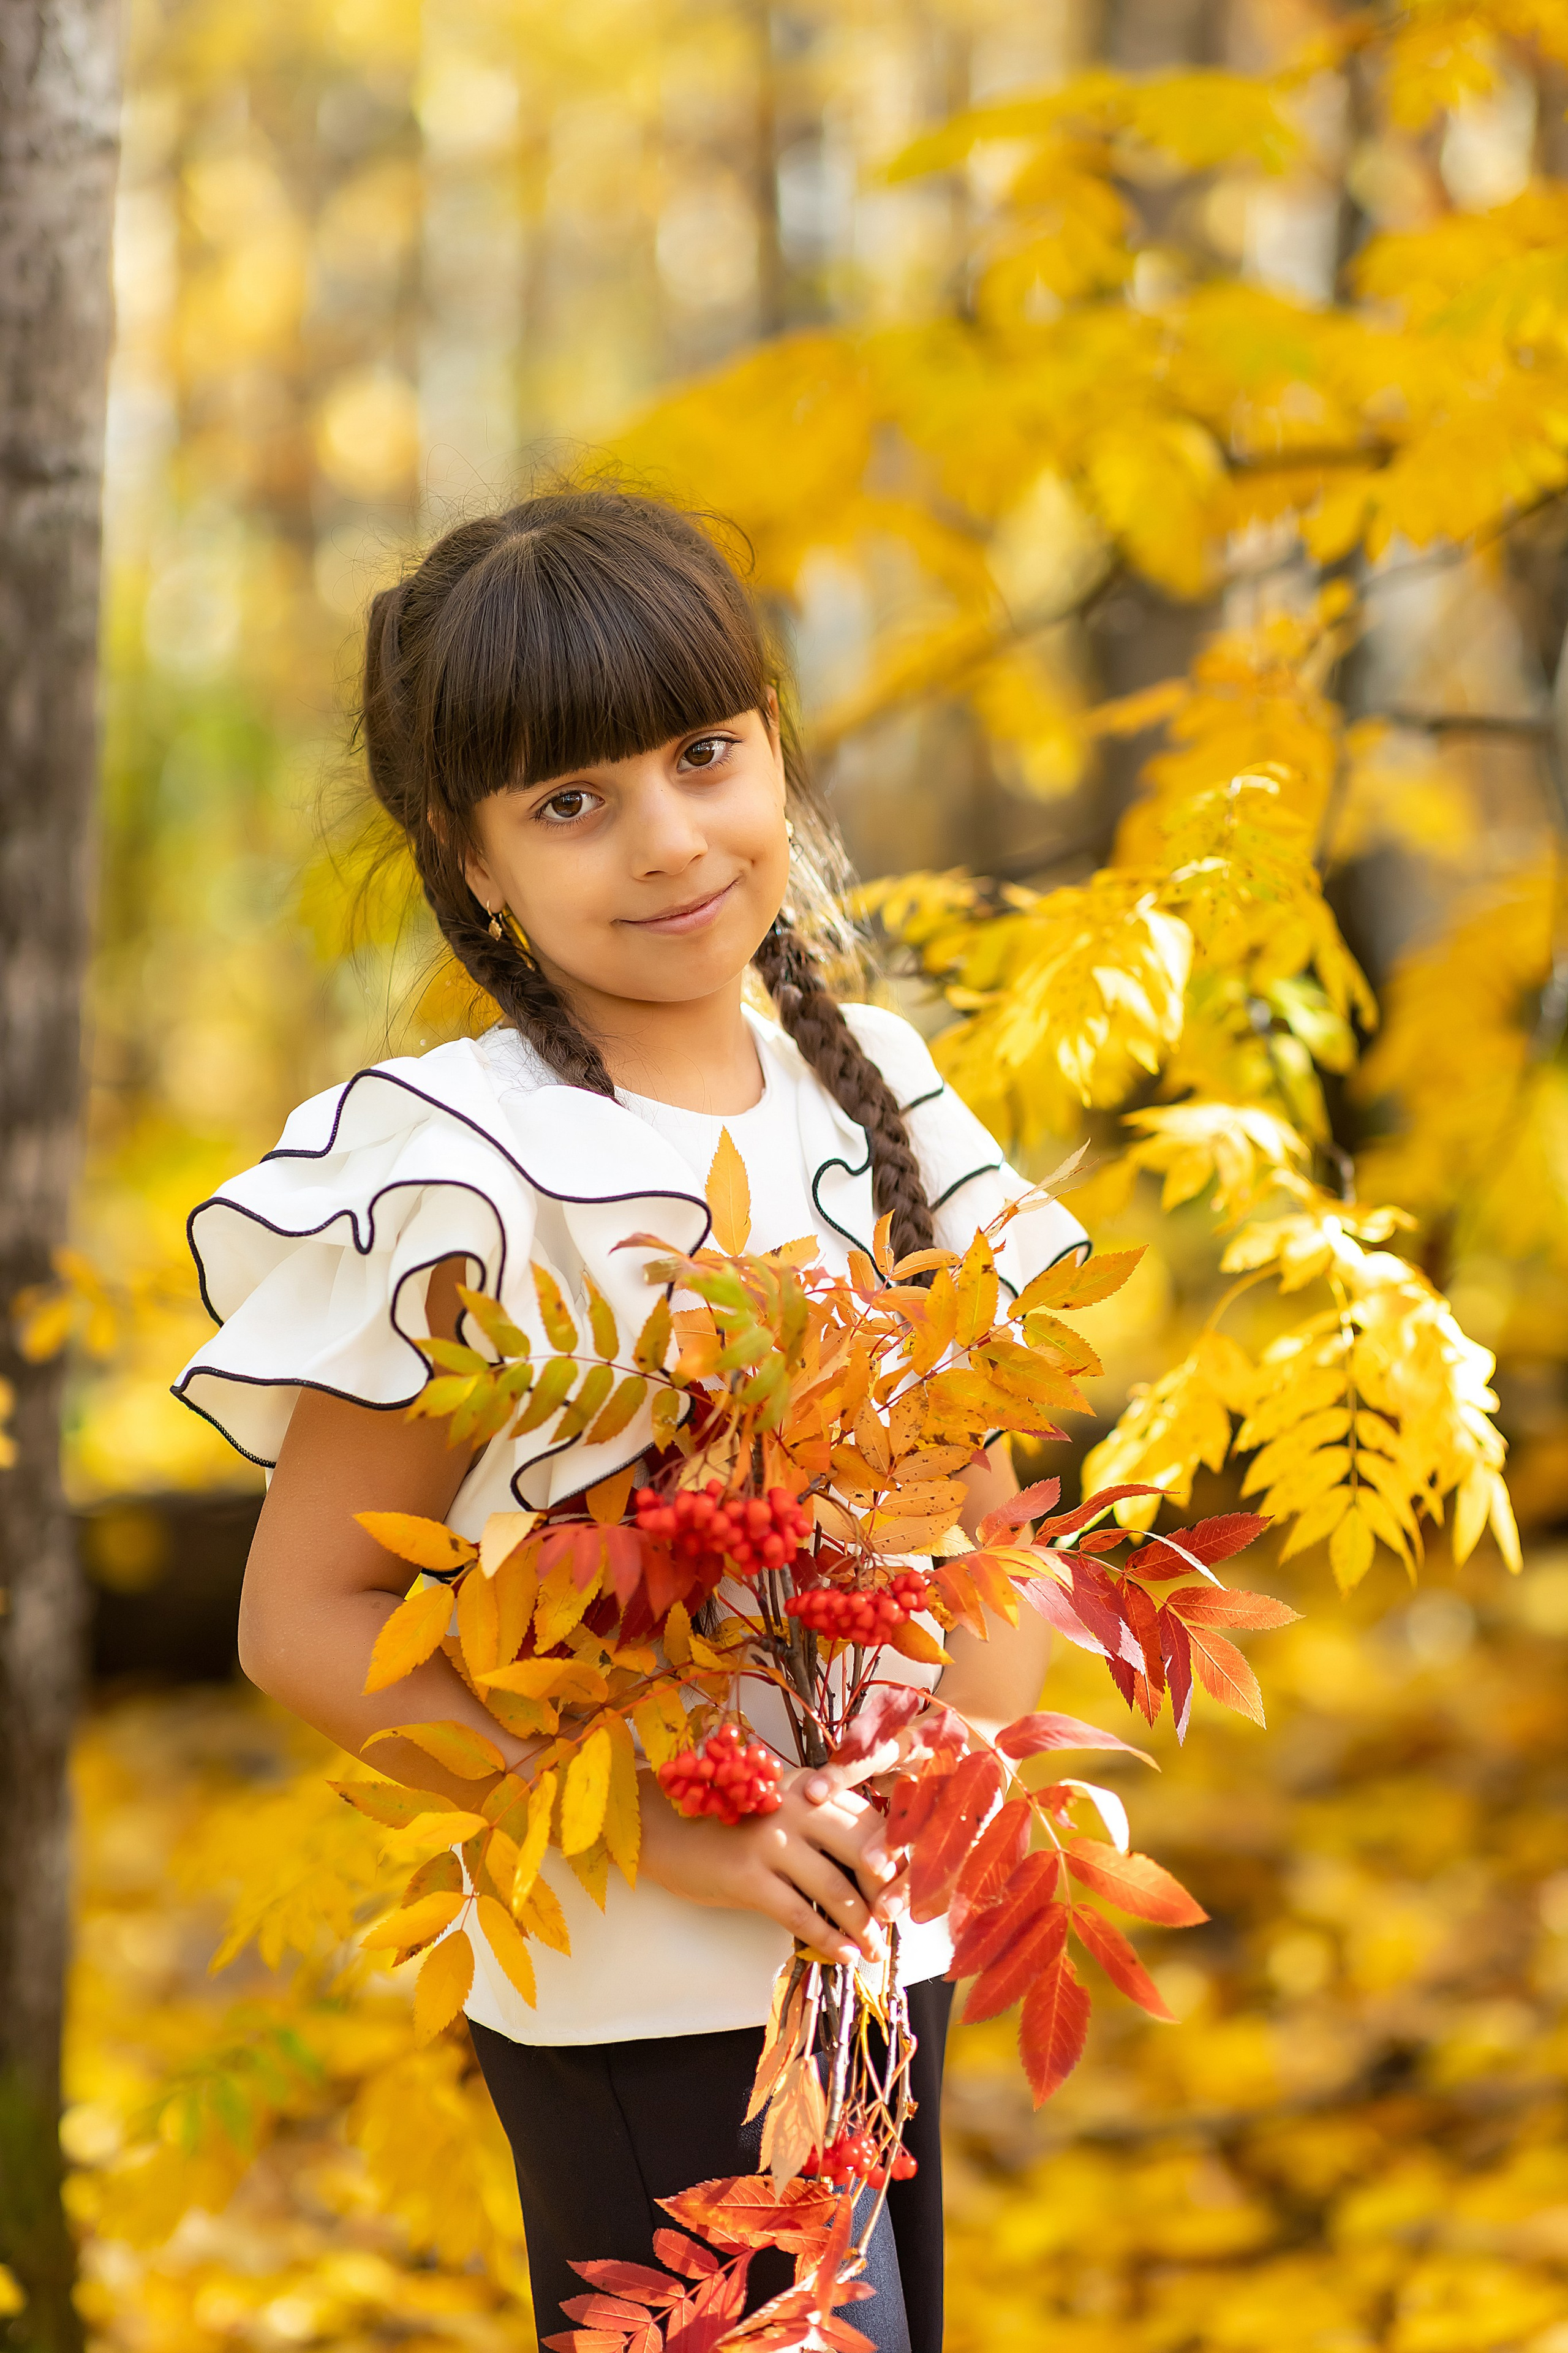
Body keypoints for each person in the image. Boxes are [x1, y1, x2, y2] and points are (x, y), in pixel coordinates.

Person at [173, 488, 1089, 2353]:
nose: (669, 838)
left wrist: (951, 1760)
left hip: (873, 1943)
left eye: (703, 753)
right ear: (474, 858)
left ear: (774, 742)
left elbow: (992, 1527)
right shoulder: (471, 1161)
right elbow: (306, 1619)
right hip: (641, 1986)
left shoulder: (885, 1088)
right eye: (572, 802)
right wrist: (676, 1825)